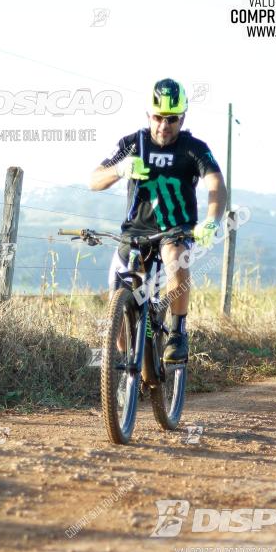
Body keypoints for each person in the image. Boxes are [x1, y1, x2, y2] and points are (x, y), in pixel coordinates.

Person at [90, 78, 227, 363]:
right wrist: (120, 169)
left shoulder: (194, 148)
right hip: (134, 233)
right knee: (119, 325)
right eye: (158, 117)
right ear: (148, 115)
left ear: (183, 117)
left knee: (175, 256)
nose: (164, 126)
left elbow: (216, 184)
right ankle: (133, 375)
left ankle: (177, 332)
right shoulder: (133, 144)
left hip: (176, 228)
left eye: (172, 119)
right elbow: (95, 179)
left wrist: (212, 220)